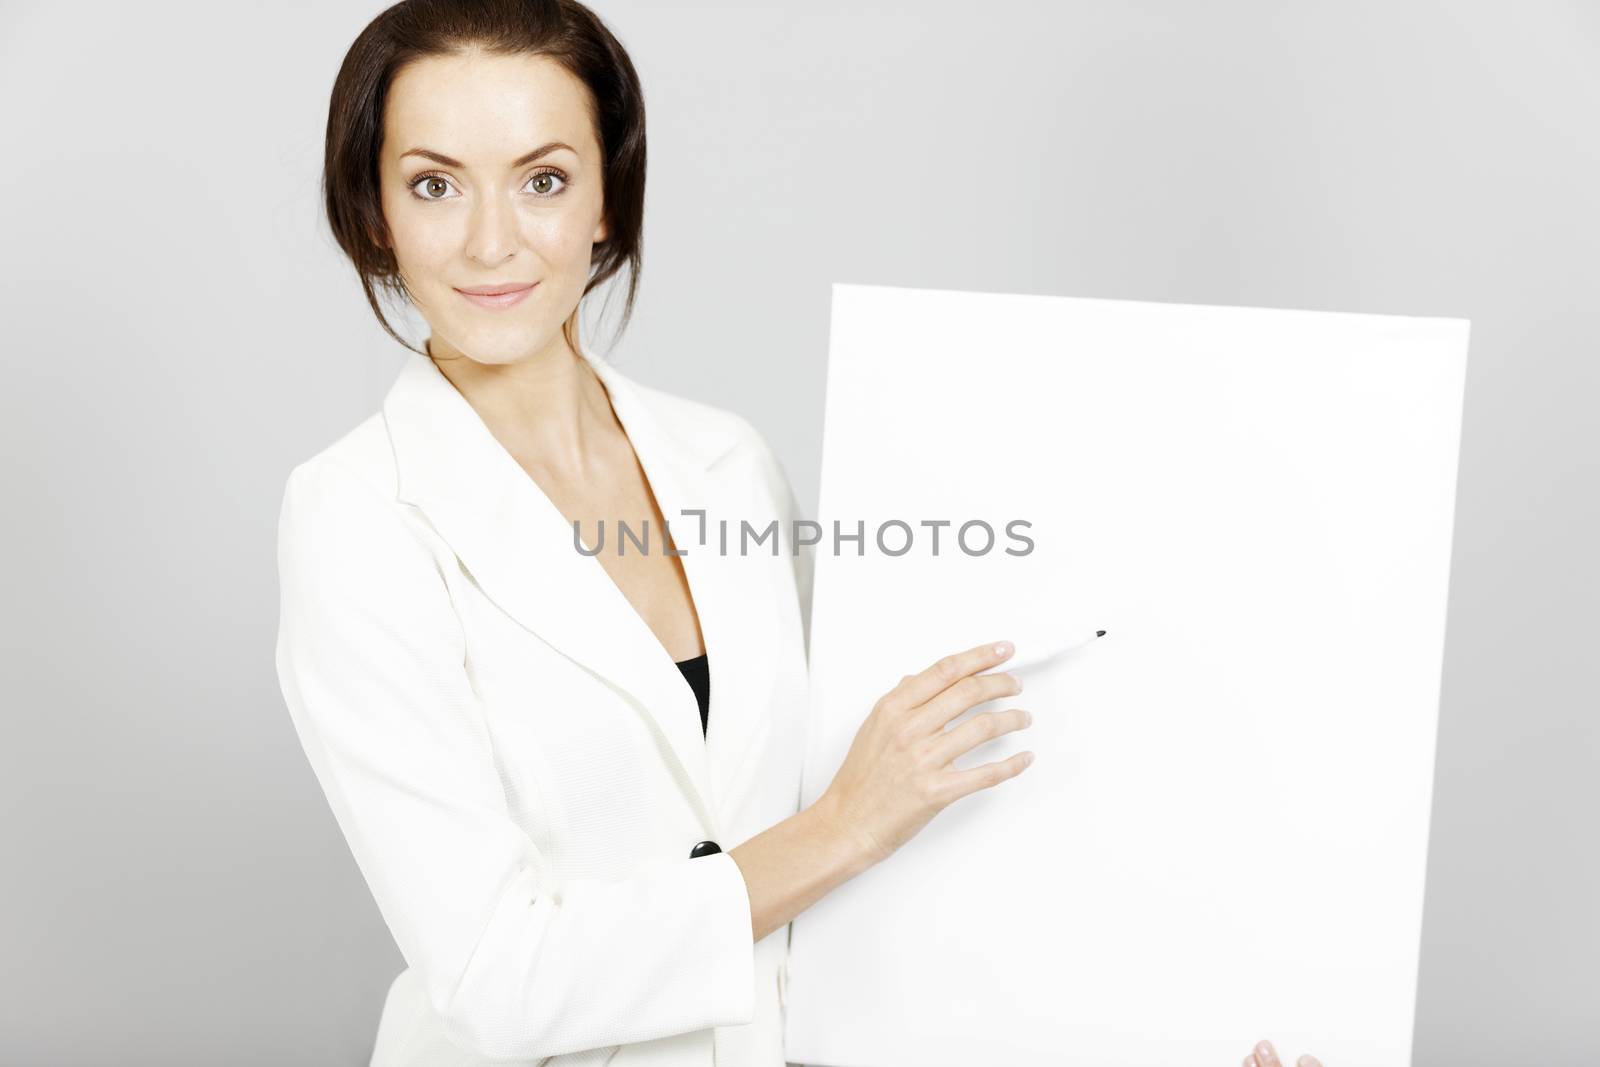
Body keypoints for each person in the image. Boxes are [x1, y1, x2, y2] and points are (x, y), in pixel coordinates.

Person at [275, 2, 1327, 1066]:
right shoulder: (356, 517)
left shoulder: (727, 462)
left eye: (542, 179)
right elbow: (499, 981)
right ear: (373, 215)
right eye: (434, 184)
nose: (491, 238)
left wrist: (1173, 1017)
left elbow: (885, 838)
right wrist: (844, 824)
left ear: (604, 200)